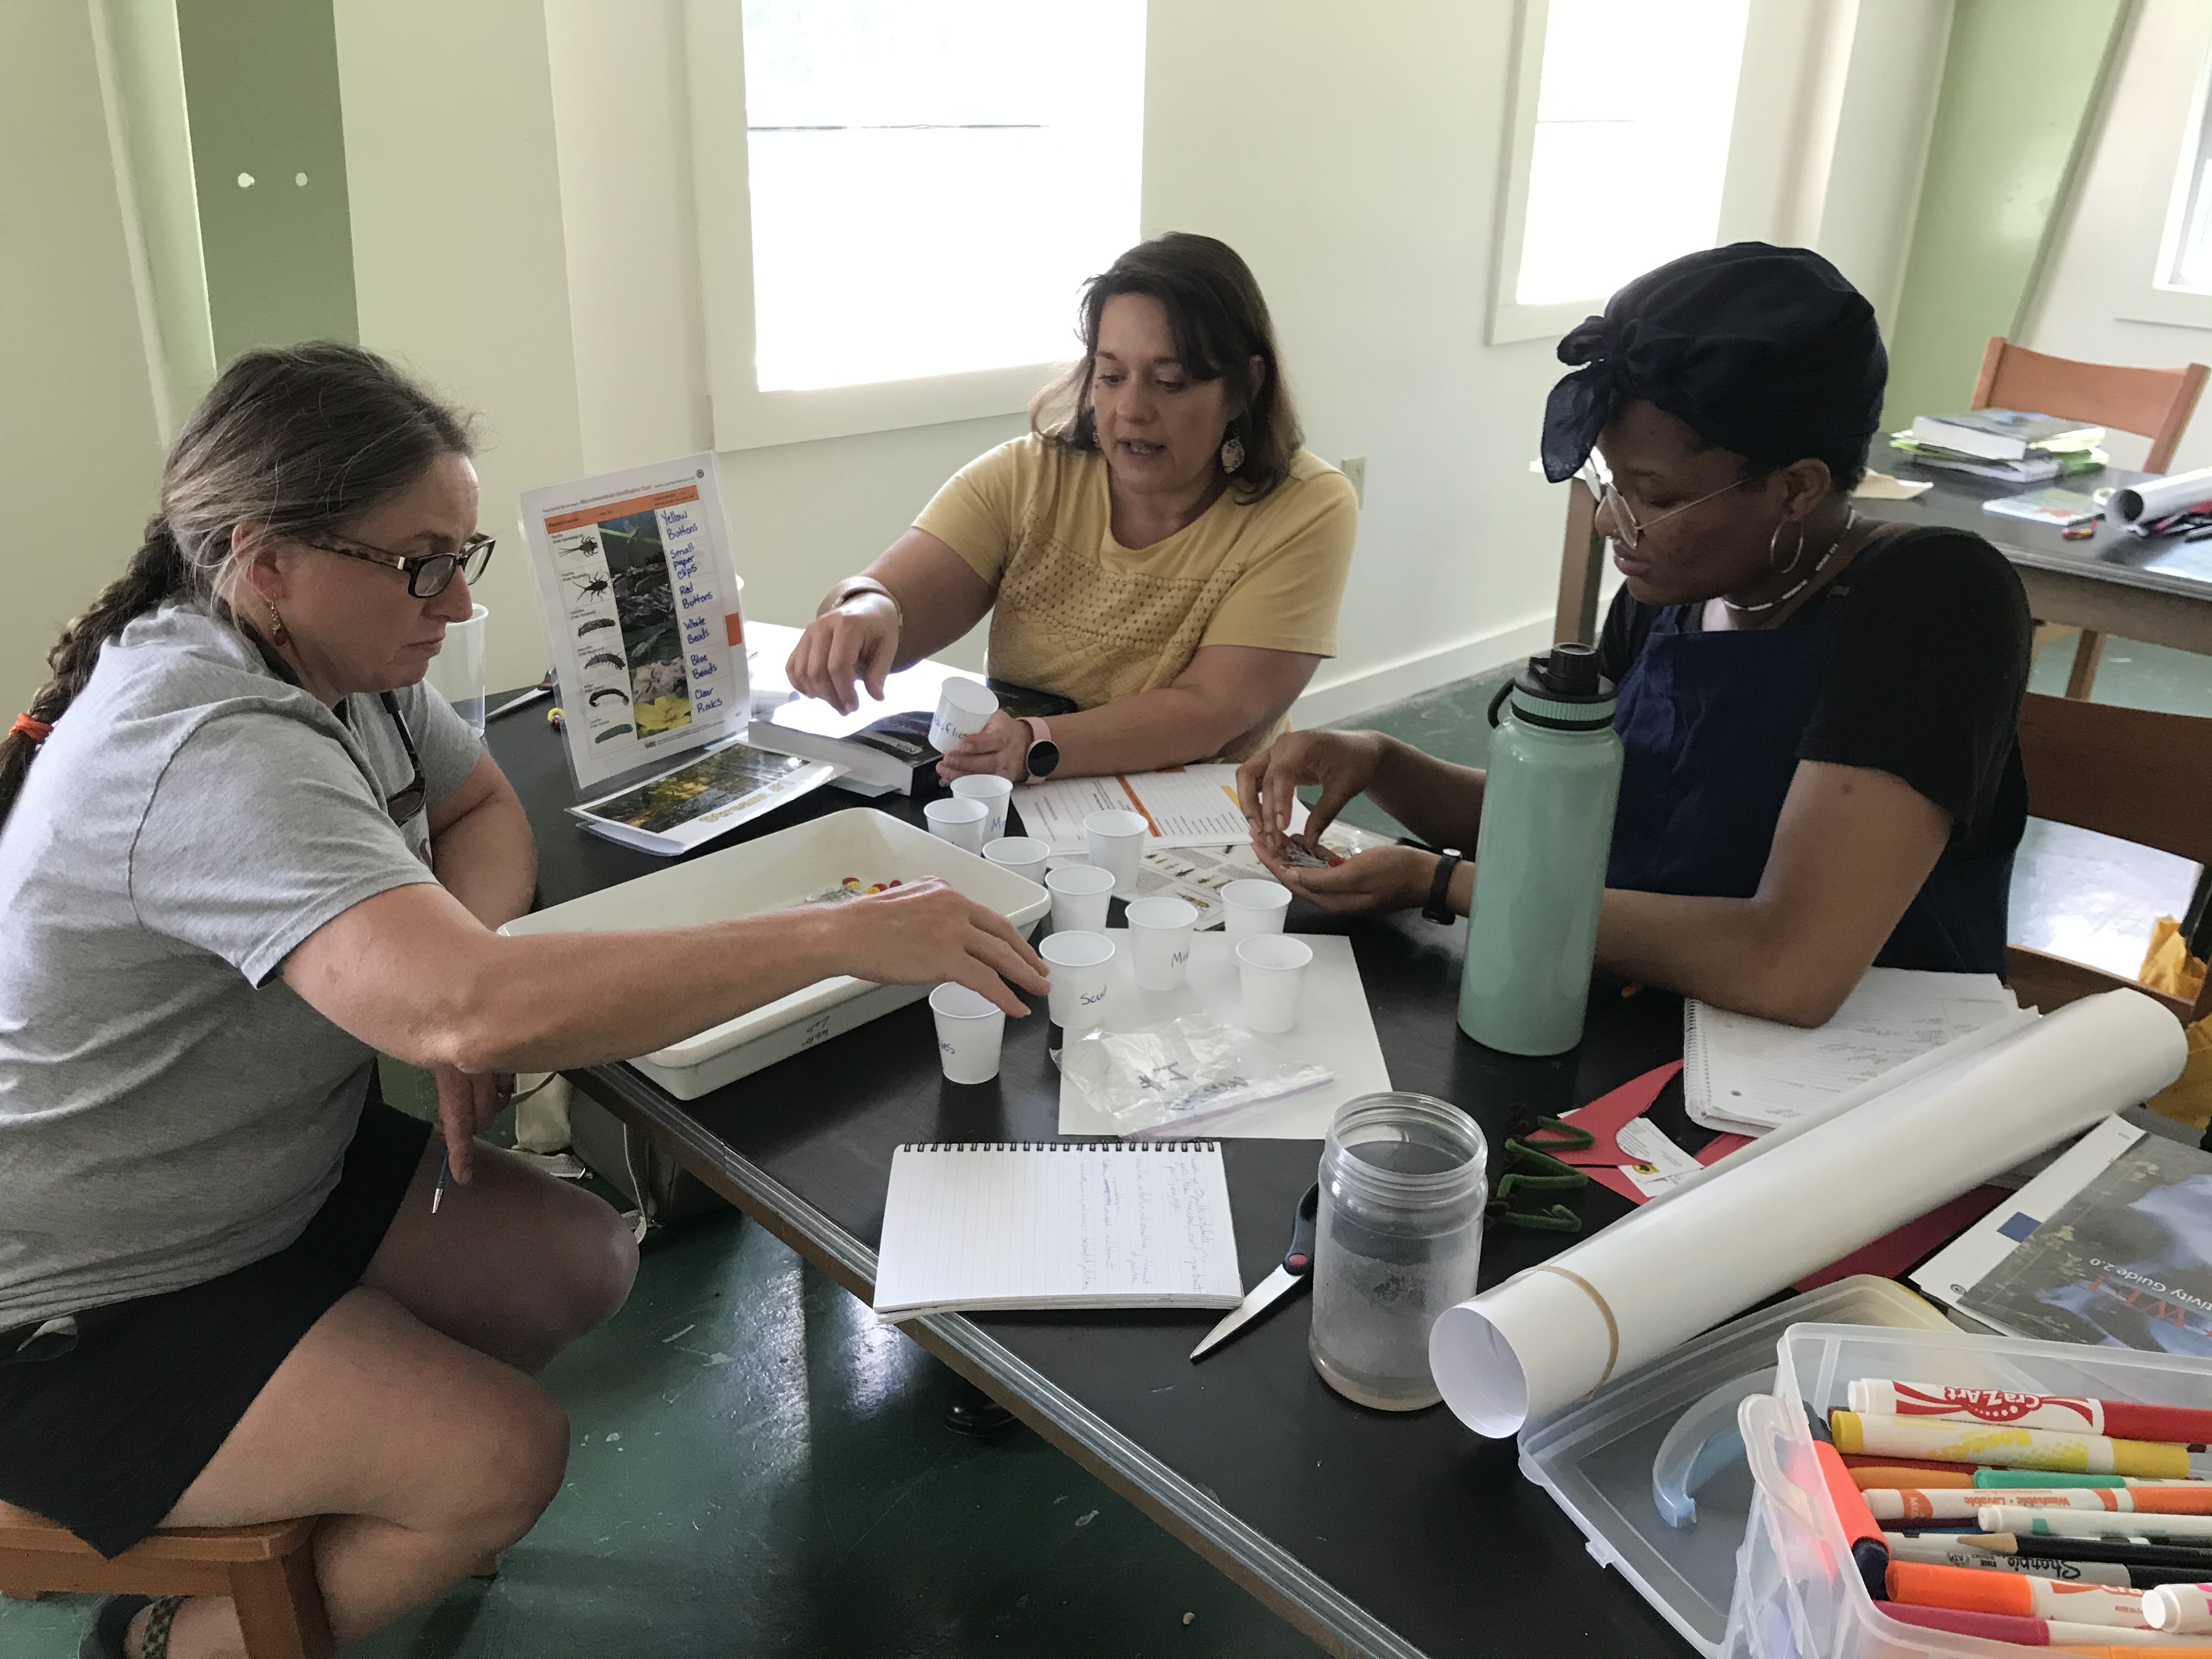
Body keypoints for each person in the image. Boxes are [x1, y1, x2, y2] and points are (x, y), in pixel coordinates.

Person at [0, 344, 1047, 1659]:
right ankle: (157, 1642)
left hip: (261, 1173)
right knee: (503, 1461)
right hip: (86, 1294)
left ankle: (337, 1481)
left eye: (462, 556)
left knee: (582, 1260)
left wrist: (451, 973)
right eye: (417, 562)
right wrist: (842, 937)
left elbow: (481, 803)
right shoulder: (208, 743)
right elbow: (465, 1004)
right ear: (264, 561)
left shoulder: (333, 669)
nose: (448, 603)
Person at [1239, 244, 2032, 1026]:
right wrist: (1384, 761)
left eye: (1654, 496)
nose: (1614, 522)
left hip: (1854, 1085)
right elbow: (1566, 822)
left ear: (1796, 488)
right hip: (1649, 1017)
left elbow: (1787, 966)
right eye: (1611, 483)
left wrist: (1440, 883)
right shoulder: (1676, 590)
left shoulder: (1932, 604)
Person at [784, 233, 1358, 783]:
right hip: (1025, 789)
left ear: (1244, 387)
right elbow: (896, 602)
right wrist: (865, 609)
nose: (1131, 410)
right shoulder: (1027, 475)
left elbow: (1216, 709)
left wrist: (1035, 744)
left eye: (1170, 382)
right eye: (1110, 376)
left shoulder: (1307, 506)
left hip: (1194, 808)